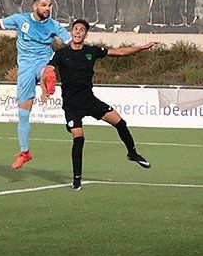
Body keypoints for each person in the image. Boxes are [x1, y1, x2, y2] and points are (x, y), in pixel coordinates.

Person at [40, 19, 160, 189]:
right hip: (72, 105)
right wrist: (44, 91)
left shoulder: (92, 51)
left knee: (120, 122)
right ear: (71, 32)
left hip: (90, 101)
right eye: (75, 29)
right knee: (79, 138)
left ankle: (132, 154)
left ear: (85, 34)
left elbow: (120, 52)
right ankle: (77, 179)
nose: (78, 32)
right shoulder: (61, 53)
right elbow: (47, 72)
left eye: (81, 30)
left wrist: (142, 47)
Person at [0, 0, 71, 169]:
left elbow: (71, 43)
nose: (47, 8)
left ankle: (47, 80)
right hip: (25, 68)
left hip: (43, 62)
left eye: (49, 5)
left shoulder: (54, 25)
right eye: (44, 5)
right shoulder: (20, 19)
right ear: (35, 7)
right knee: (23, 114)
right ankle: (25, 153)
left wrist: (86, 53)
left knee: (47, 71)